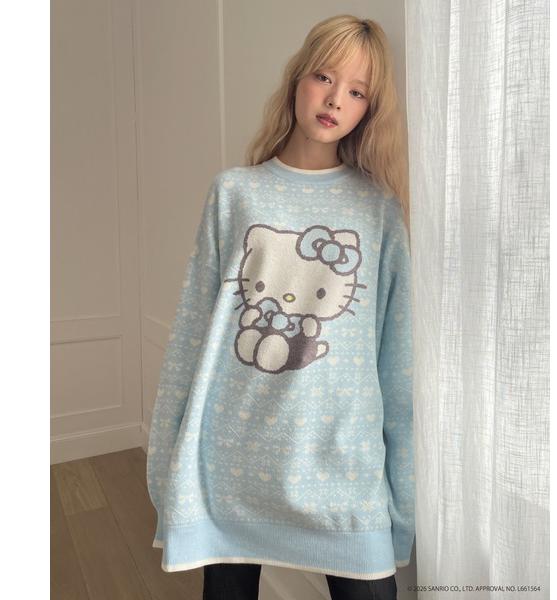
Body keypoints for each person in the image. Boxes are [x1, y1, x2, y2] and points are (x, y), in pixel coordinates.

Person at [146, 14, 414, 600]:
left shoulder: (379, 210)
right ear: (297, 79)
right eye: (324, 77)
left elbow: (397, 361)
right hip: (233, 457)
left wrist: (404, 493)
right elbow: (193, 333)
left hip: (342, 463)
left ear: (369, 109)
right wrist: (168, 460)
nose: (335, 99)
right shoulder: (234, 192)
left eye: (357, 91)